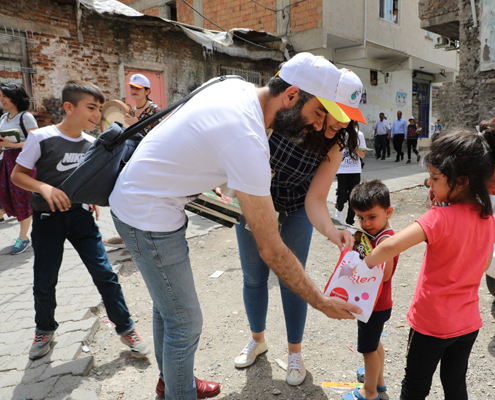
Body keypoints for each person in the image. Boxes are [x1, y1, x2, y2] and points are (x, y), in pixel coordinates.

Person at [108, 52, 361, 400]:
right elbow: (271, 248)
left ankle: (172, 380)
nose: (318, 126)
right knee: (185, 323)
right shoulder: (249, 140)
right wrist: (322, 303)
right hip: (147, 214)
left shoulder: (238, 89)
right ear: (290, 96)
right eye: (318, 113)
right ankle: (178, 391)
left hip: (143, 201)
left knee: (168, 308)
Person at [234, 68, 365, 387]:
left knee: (295, 278)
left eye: (349, 116)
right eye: (337, 113)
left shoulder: (335, 144)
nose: (341, 123)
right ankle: (257, 340)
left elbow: (316, 199)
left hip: (295, 208)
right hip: (253, 202)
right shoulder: (283, 116)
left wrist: (333, 231)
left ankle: (295, 353)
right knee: (254, 278)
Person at [361, 121, 495, 400]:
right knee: (454, 384)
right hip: (467, 324)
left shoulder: (438, 218)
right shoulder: (489, 220)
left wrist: (363, 262)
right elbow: (484, 265)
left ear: (461, 181)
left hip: (431, 324)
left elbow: (389, 246)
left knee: (415, 386)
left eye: (435, 178)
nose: (429, 183)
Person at [11, 80, 150, 361]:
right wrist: (44, 188)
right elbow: (17, 175)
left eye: (100, 109)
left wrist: (89, 200)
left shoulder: (92, 143)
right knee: (44, 279)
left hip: (81, 217)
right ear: (68, 107)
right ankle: (44, 329)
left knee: (105, 274)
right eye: (91, 108)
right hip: (47, 218)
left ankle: (126, 328)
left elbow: (91, 178)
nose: (97, 115)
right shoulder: (41, 137)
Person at [342, 179, 398, 400]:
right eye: (361, 218)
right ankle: (378, 380)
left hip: (373, 306)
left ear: (389, 212)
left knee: (367, 349)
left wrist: (366, 254)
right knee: (374, 343)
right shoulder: (377, 235)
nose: (365, 223)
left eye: (372, 217)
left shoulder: (387, 241)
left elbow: (385, 274)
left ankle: (370, 391)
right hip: (375, 304)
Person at [103, 73, 163, 248]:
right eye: (132, 88)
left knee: (142, 197)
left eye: (138, 88)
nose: (134, 91)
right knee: (125, 194)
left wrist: (136, 123)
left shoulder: (154, 110)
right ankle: (126, 233)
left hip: (147, 161)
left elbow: (158, 138)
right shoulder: (128, 109)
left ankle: (143, 235)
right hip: (129, 158)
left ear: (147, 91)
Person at [0, 83, 38, 254]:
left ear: (14, 98)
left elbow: (37, 141)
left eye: (4, 96)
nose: (1, 99)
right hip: (7, 160)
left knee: (22, 198)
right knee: (10, 197)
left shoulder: (26, 117)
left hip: (23, 160)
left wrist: (12, 144)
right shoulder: (3, 118)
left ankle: (23, 237)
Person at [335, 121, 367, 226]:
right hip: (342, 170)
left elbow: (363, 156)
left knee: (353, 198)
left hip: (355, 171)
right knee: (342, 196)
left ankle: (349, 222)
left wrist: (356, 148)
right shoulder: (340, 134)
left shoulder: (359, 135)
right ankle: (339, 209)